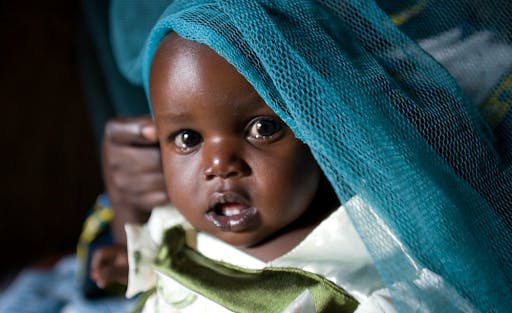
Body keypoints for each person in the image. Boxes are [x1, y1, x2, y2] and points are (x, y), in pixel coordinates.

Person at [91, 0, 512, 312]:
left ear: (324, 127)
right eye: (186, 138)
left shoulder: (365, 247)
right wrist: (129, 258)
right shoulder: (181, 224)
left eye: (263, 129)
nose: (218, 165)